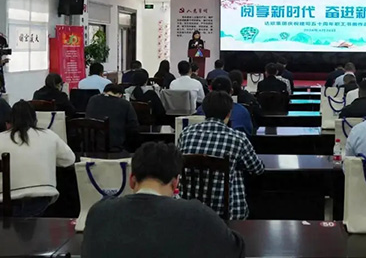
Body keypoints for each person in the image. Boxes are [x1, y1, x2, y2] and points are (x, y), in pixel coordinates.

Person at [82, 142, 245, 258]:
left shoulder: (98, 213)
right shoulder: (197, 215)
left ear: (132, 180)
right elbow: (236, 249)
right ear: (175, 183)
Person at [178, 91, 265, 219]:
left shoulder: (186, 133)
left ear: (204, 111)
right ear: (229, 113)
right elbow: (257, 169)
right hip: (228, 214)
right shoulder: (238, 138)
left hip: (189, 211)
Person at [0, 101, 75, 216]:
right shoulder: (49, 135)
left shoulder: (1, 138)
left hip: (5, 202)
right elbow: (69, 160)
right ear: (35, 119)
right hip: (41, 201)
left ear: (10, 121)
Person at [86, 84, 139, 152]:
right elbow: (133, 126)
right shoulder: (125, 104)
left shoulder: (93, 100)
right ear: (120, 95)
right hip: (116, 148)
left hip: (91, 147)